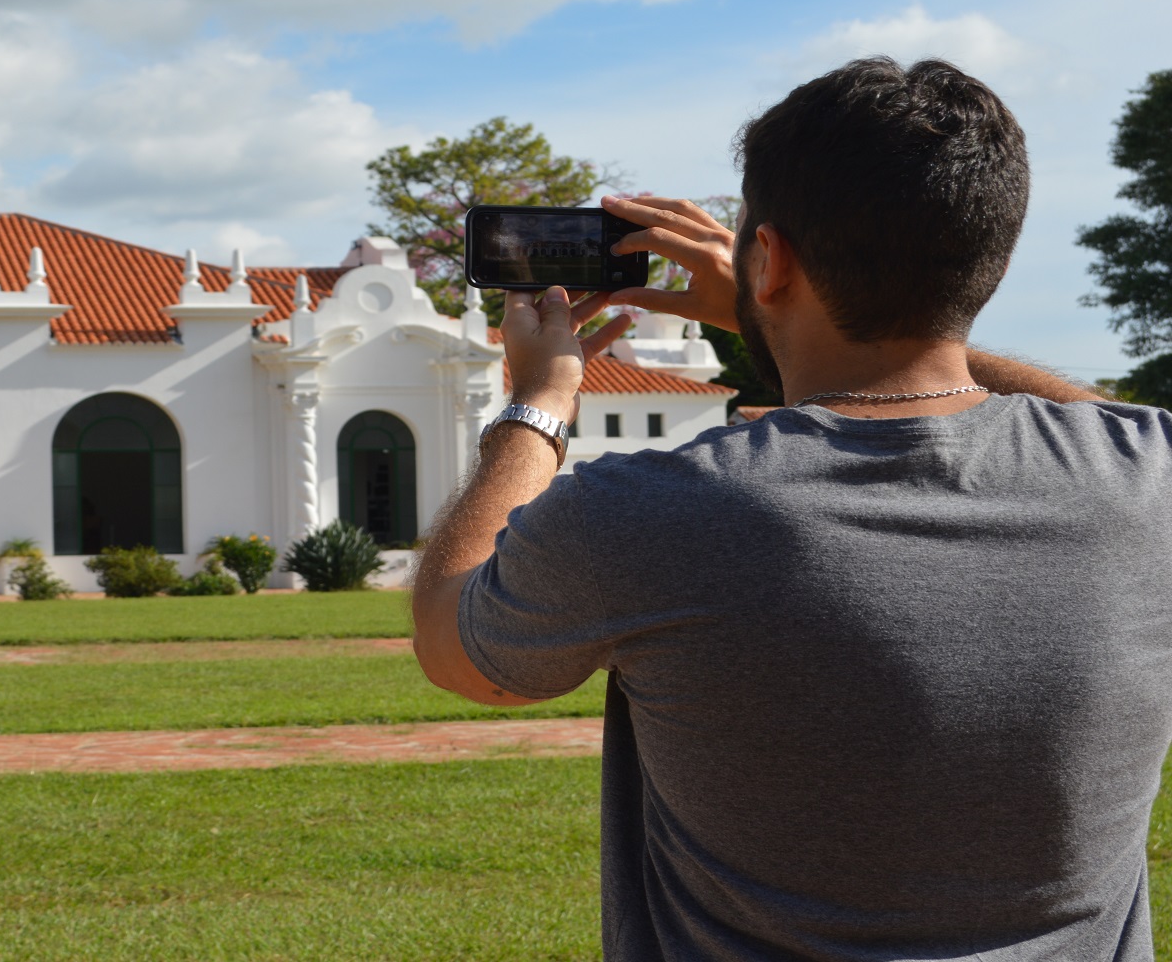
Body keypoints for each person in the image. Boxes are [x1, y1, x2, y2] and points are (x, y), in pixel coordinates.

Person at [411, 57, 1172, 960]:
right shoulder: (1146, 478)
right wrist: (796, 310)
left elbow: (457, 648)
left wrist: (539, 404)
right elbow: (1102, 420)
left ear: (768, 259)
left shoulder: (649, 514)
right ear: (991, 259)